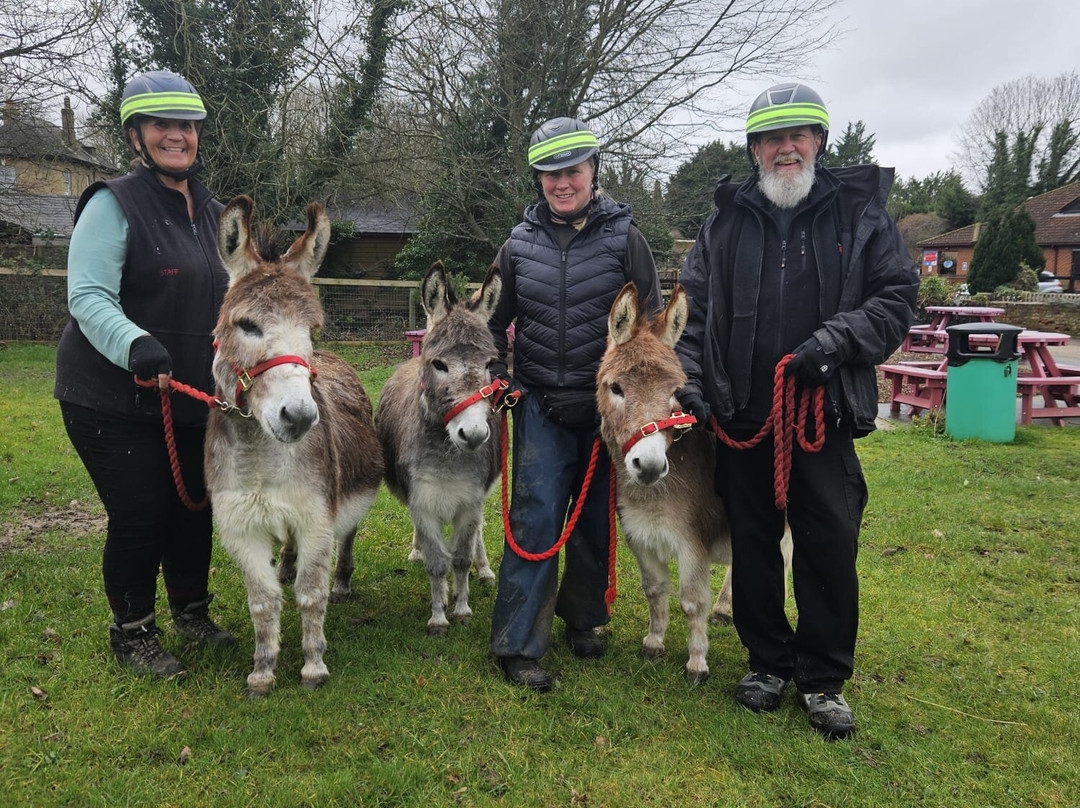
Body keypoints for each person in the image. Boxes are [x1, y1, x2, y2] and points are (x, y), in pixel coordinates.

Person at [675, 83, 919, 738]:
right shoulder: (724, 223)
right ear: (755, 149)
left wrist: (838, 342)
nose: (786, 148)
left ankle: (822, 677)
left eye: (798, 135)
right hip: (743, 418)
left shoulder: (860, 214)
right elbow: (691, 313)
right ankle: (766, 662)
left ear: (818, 142)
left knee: (827, 545)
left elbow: (896, 297)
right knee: (752, 546)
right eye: (772, 139)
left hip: (823, 413)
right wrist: (692, 382)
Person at [54, 70, 235, 678]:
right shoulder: (113, 203)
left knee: (194, 507)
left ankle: (192, 612)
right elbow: (87, 296)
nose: (177, 136)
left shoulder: (212, 211)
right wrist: (135, 343)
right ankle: (131, 631)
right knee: (141, 511)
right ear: (136, 134)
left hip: (190, 396)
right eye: (162, 125)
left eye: (186, 126)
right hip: (108, 396)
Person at [488, 117, 662, 692]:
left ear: (592, 171)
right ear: (538, 179)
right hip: (539, 401)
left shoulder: (626, 238)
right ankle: (518, 643)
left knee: (593, 521)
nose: (562, 183)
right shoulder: (517, 245)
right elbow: (492, 322)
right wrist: (496, 372)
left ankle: (583, 617)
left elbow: (649, 330)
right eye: (550, 174)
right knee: (534, 519)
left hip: (607, 409)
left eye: (573, 171)